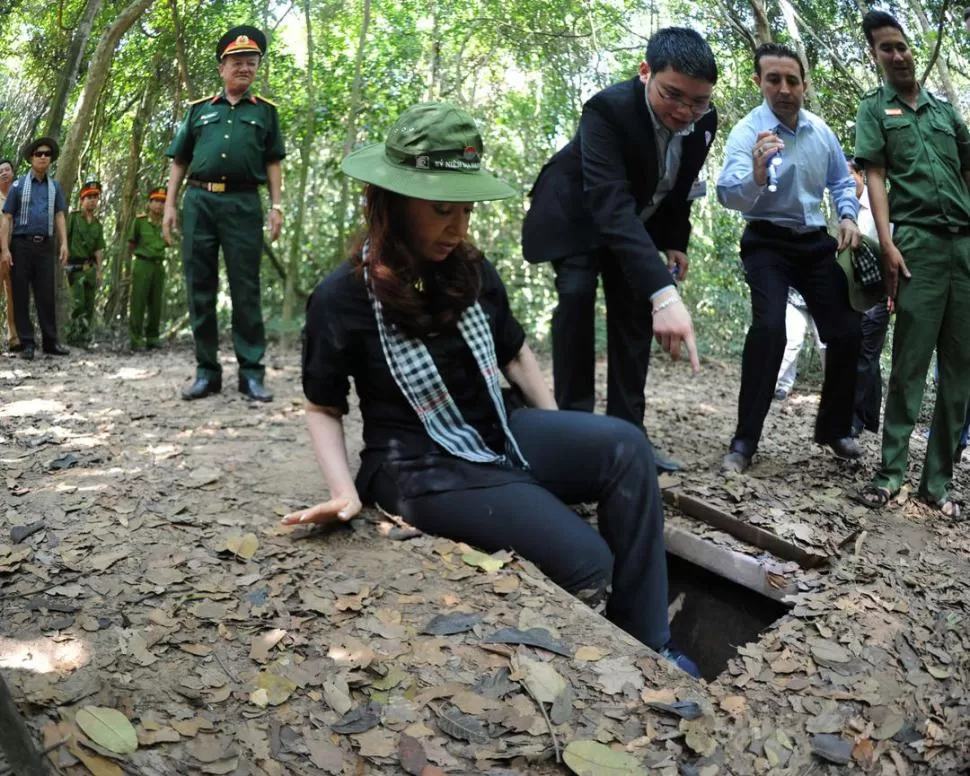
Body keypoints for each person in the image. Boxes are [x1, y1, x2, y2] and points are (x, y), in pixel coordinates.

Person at [283, 102, 701, 677]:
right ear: (394, 204)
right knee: (587, 560)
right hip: (419, 466)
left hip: (500, 430)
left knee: (626, 445)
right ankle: (620, 651)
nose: (457, 228)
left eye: (467, 210)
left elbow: (515, 355)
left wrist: (561, 432)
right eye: (441, 211)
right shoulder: (342, 297)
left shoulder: (471, 269)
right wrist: (343, 494)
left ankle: (652, 642)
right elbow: (323, 406)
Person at [521, 27, 719, 474]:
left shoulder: (704, 121)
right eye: (674, 96)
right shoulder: (606, 109)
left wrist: (674, 241)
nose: (687, 111)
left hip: (637, 222)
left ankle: (630, 436)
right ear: (645, 72)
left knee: (633, 315)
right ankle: (573, 432)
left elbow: (678, 186)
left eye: (699, 101)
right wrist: (664, 294)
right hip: (578, 215)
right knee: (575, 296)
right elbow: (609, 204)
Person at [716, 43, 863, 473]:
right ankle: (744, 443)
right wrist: (757, 176)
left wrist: (849, 217)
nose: (784, 89)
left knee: (846, 329)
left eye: (792, 80)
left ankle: (835, 429)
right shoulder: (748, 132)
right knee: (769, 330)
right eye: (773, 80)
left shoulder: (821, 132)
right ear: (759, 83)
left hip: (814, 240)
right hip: (766, 241)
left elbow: (840, 182)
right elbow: (728, 192)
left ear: (803, 83)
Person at [853, 11, 970, 518]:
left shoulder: (945, 113)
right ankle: (890, 474)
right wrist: (888, 242)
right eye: (886, 48)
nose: (897, 54)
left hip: (964, 247)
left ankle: (936, 484)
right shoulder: (874, 110)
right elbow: (875, 175)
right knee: (909, 365)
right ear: (874, 56)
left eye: (901, 45)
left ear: (910, 48)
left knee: (961, 373)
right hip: (917, 243)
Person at [163, 24, 285, 402]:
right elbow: (180, 160)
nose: (244, 68)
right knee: (200, 286)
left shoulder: (266, 113)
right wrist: (169, 204)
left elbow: (274, 162)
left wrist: (277, 206)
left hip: (244, 204)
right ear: (222, 67)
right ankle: (206, 372)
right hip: (199, 202)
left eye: (251, 63)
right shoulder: (199, 111)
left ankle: (251, 374)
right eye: (237, 62)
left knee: (245, 288)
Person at [0, 137, 69, 361]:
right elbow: (7, 217)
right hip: (21, 245)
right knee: (20, 294)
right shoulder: (18, 186)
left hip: (46, 246)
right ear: (31, 158)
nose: (42, 157)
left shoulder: (54, 187)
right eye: (38, 153)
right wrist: (5, 249)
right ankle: (27, 342)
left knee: (46, 295)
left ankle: (50, 342)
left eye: (47, 154)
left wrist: (64, 243)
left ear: (50, 159)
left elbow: (59, 215)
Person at [846, 158, 890, 438]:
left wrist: (892, 293)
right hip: (852, 293)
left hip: (878, 295)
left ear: (862, 175)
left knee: (865, 356)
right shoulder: (844, 207)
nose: (847, 182)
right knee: (861, 355)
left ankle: (852, 419)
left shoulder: (879, 207)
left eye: (850, 175)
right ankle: (867, 418)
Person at [127, 187, 170, 350]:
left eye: (162, 202)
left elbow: (171, 241)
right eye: (156, 201)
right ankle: (136, 339)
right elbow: (131, 244)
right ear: (149, 203)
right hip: (142, 264)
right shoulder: (140, 221)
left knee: (156, 303)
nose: (159, 205)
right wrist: (131, 266)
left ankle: (152, 337)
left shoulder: (167, 222)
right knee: (138, 301)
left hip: (158, 265)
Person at [65, 179, 105, 348]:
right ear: (81, 200)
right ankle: (72, 338)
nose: (92, 200)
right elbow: (64, 240)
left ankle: (85, 338)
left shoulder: (97, 224)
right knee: (77, 303)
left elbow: (98, 249)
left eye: (95, 197)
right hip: (75, 268)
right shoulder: (73, 218)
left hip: (90, 269)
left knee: (89, 304)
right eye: (88, 197)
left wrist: (99, 271)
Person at [773, 288, 825, 401]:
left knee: (826, 345)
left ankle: (835, 389)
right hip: (796, 298)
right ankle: (782, 386)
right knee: (791, 342)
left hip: (825, 300)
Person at [0, 158, 19, 353]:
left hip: (17, 253)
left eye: (7, 170)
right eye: (0, 171)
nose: (4, 173)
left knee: (14, 296)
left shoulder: (18, 195)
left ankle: (14, 338)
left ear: (13, 173)